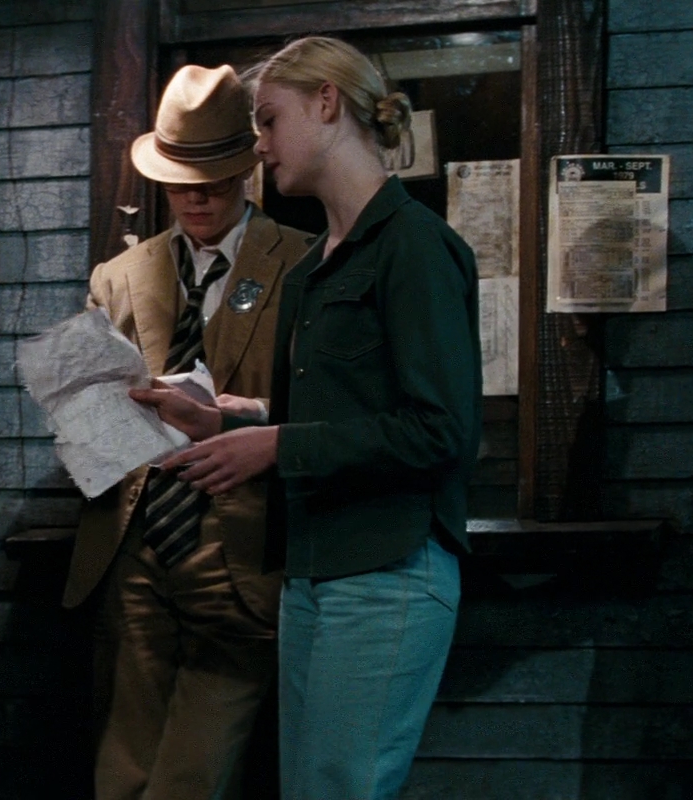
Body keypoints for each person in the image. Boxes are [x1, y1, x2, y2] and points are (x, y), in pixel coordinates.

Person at [132, 37, 481, 799]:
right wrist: (220, 428)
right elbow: (323, 423)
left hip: (387, 568)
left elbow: (441, 430)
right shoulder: (315, 267)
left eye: (268, 120)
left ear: (327, 103)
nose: (259, 146)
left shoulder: (414, 248)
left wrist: (274, 444)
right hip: (312, 572)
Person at [72, 64, 312, 799]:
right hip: (137, 541)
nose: (196, 198)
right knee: (123, 771)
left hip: (240, 547)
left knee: (191, 777)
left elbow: (325, 409)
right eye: (180, 183)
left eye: (213, 180)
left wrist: (245, 414)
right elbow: (83, 416)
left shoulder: (303, 265)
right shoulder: (120, 276)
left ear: (246, 170)